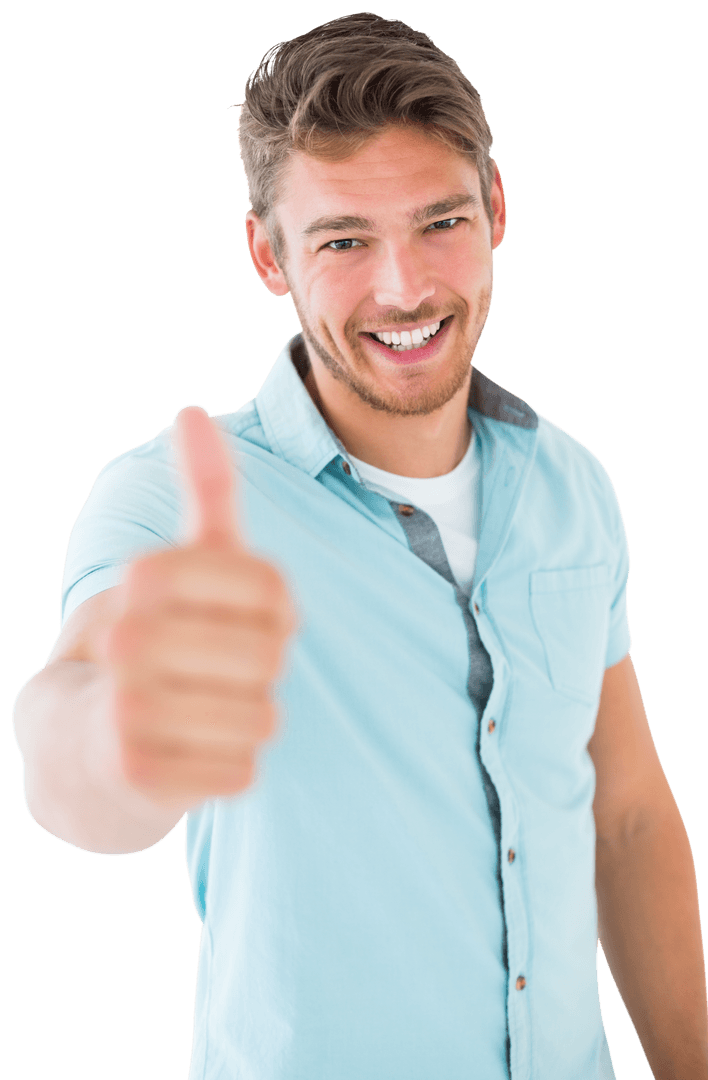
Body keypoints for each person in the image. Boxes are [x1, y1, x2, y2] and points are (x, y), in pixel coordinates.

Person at [12, 12, 707, 1080]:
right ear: (267, 254)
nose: (405, 288)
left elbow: (623, 815)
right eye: (342, 239)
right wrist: (122, 737)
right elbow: (70, 743)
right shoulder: (174, 501)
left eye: (440, 221)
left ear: (498, 209)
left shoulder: (571, 486)